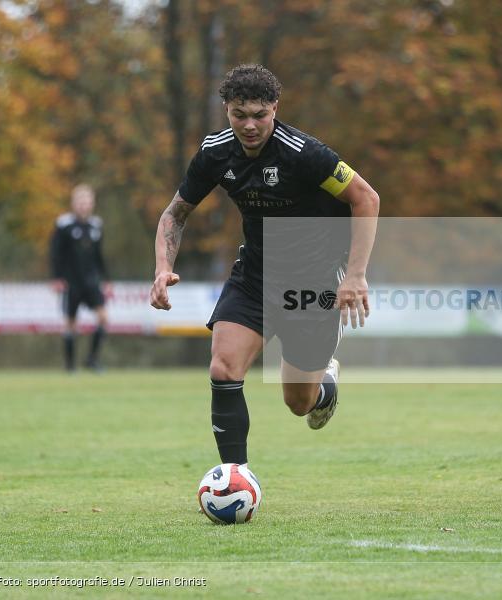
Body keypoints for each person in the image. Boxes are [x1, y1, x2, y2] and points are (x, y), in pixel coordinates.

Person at [149, 64, 379, 466]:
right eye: (240, 115)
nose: (250, 125)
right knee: (223, 368)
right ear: (226, 110)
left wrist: (355, 276)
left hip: (312, 286)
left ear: (275, 107)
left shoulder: (305, 154)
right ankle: (234, 477)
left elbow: (366, 199)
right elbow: (175, 214)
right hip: (254, 276)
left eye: (259, 114)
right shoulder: (215, 153)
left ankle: (324, 385)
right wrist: (162, 267)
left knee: (299, 402)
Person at [50, 183, 109, 372]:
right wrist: (57, 277)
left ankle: (92, 359)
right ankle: (70, 366)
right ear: (73, 203)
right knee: (70, 323)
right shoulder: (64, 225)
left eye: (87, 201)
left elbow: (99, 255)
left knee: (103, 318)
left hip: (91, 281)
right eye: (80, 201)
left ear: (92, 203)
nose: (84, 205)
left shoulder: (96, 225)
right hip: (71, 282)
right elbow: (55, 253)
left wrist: (106, 278)